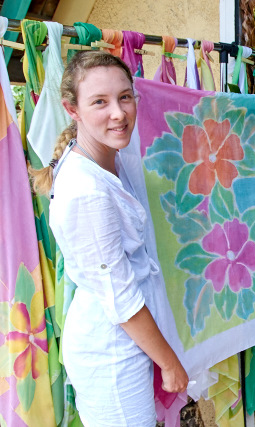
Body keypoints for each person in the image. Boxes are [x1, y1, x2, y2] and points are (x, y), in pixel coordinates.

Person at [30, 50, 188, 426]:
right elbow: (121, 299)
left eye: (125, 97)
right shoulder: (87, 190)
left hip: (120, 341)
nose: (118, 113)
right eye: (99, 102)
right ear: (73, 110)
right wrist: (169, 363)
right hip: (111, 354)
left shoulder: (101, 157)